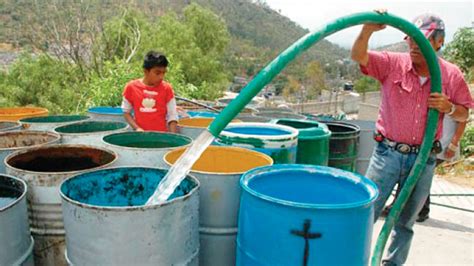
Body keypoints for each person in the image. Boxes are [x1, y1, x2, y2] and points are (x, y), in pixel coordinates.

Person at [351, 12, 473, 265]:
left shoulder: (450, 75)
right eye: (412, 40)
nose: (415, 46)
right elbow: (359, 56)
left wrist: (448, 107)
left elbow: (463, 113)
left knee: (405, 221)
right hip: (387, 153)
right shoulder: (392, 63)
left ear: (439, 42)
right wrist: (367, 30)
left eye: (424, 40)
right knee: (365, 213)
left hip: (423, 158)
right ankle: (354, 259)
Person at [416, 117, 468, 222]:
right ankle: (421, 210)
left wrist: (453, 144)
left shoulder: (456, 101)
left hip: (443, 145)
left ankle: (422, 210)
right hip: (432, 142)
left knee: (421, 175)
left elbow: (463, 120)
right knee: (421, 174)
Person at [121, 51, 179, 132]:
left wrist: (173, 137)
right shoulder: (131, 87)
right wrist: (137, 128)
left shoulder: (167, 88)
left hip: (161, 136)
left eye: (164, 73)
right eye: (157, 73)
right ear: (146, 71)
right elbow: (126, 112)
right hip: (140, 137)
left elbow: (172, 115)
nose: (161, 77)